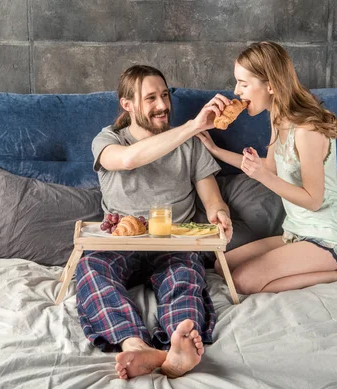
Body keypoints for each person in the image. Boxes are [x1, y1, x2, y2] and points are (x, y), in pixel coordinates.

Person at [76, 64, 233, 380]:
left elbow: (212, 199)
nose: (162, 106)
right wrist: (191, 126)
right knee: (90, 270)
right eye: (151, 98)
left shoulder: (190, 144)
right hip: (121, 242)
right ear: (128, 105)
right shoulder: (107, 139)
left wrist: (221, 215)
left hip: (174, 244)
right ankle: (135, 344)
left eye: (164, 95)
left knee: (186, 277)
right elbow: (128, 160)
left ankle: (178, 344)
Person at [196, 41, 337, 296]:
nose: (236, 91)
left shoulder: (307, 130)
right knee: (221, 264)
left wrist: (261, 174)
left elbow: (314, 200)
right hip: (297, 232)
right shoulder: (278, 118)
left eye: (244, 84)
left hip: (329, 235)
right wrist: (216, 152)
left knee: (243, 282)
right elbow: (267, 168)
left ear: (270, 85)